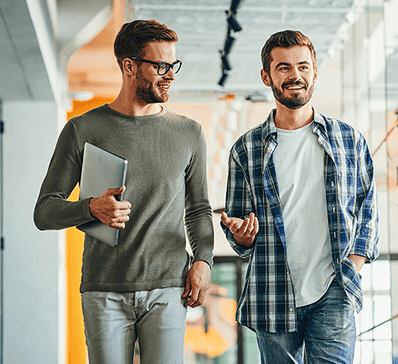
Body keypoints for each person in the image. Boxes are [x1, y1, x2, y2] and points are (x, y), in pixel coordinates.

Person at [33, 19, 214, 364]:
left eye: (173, 64)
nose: (171, 74)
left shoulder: (189, 133)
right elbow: (44, 211)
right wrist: (90, 208)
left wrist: (203, 259)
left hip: (168, 287)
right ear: (129, 66)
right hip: (104, 291)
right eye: (161, 65)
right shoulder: (83, 129)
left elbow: (199, 209)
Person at [220, 30, 379, 364]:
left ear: (315, 72)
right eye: (284, 68)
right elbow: (238, 232)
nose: (295, 75)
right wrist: (241, 236)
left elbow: (368, 211)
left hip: (334, 288)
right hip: (272, 289)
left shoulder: (348, 139)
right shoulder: (246, 150)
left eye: (303, 66)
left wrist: (353, 266)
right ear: (267, 76)